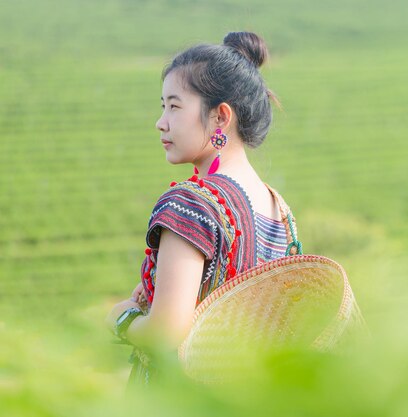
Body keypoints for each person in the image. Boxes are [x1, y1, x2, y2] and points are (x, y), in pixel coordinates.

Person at [105, 31, 297, 386]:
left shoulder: (190, 204)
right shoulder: (277, 208)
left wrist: (123, 318)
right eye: (163, 106)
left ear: (220, 118)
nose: (161, 122)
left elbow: (167, 332)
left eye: (174, 106)